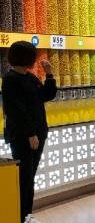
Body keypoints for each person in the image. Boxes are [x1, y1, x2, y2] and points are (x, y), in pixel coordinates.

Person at [2, 41, 57, 223]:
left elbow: (46, 95)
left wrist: (49, 75)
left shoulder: (30, 77)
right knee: (24, 179)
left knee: (29, 177)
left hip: (38, 133)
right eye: (33, 56)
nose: (35, 59)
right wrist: (30, 134)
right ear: (25, 58)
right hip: (23, 136)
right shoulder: (10, 80)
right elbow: (16, 111)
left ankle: (26, 216)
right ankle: (22, 217)